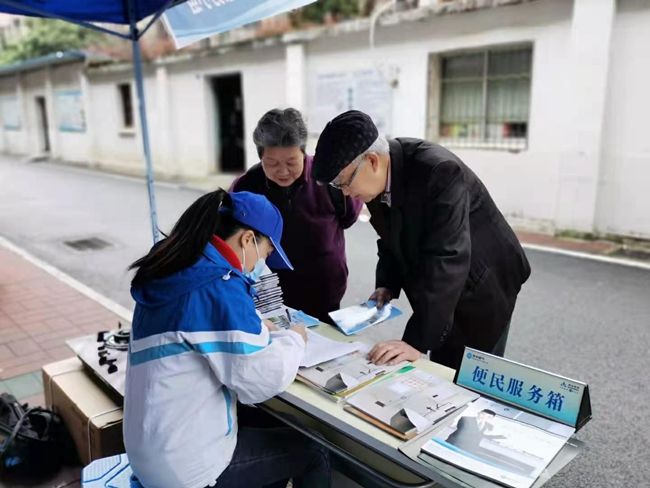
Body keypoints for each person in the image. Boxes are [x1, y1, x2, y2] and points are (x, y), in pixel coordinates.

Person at [123, 189, 331, 488]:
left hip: (152, 451)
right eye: (266, 254)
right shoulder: (219, 284)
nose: (262, 266)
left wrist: (256, 325)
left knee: (285, 427)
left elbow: (200, 326)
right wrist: (295, 340)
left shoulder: (180, 269)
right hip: (185, 468)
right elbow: (259, 381)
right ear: (248, 239)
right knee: (313, 450)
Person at [311, 110, 531, 370]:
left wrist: (414, 341)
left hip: (483, 281)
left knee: (471, 372)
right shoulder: (378, 178)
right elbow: (390, 237)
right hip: (443, 282)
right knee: (443, 360)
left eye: (344, 182)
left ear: (371, 161)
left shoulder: (439, 171)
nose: (346, 192)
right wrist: (387, 284)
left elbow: (447, 257)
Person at [231, 108, 362, 324]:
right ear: (261, 157)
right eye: (272, 163)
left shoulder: (331, 178)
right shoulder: (246, 187)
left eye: (291, 162)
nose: (283, 172)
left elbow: (349, 217)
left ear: (304, 153)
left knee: (322, 338)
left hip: (325, 290)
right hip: (268, 292)